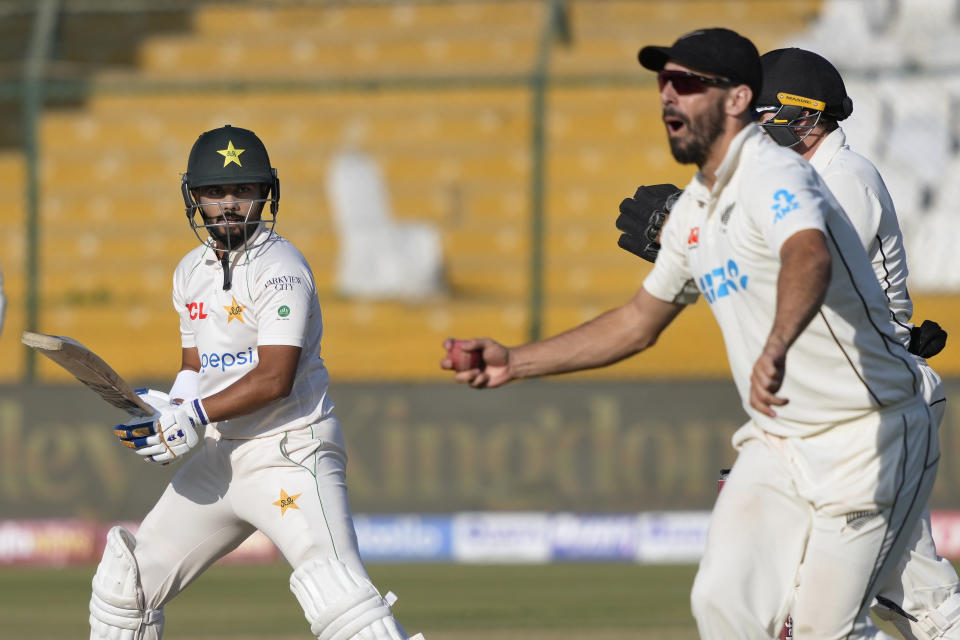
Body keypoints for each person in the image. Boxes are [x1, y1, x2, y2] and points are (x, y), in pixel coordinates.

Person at [442, 28, 939, 639]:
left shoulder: (791, 176)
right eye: (664, 84)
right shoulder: (702, 206)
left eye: (687, 86)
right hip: (782, 432)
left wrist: (776, 342)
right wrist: (514, 362)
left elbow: (809, 258)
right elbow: (636, 322)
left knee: (830, 623)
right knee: (724, 608)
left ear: (739, 103)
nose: (668, 100)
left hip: (866, 427)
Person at [617, 47, 957, 640]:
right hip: (827, 409)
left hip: (872, 411)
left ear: (803, 115)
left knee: (918, 605)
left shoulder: (845, 178)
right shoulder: (793, 179)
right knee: (808, 609)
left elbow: (801, 273)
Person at [90, 125, 424, 640]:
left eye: (242, 191)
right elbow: (193, 368)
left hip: (290, 451)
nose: (228, 205)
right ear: (193, 198)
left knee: (338, 596)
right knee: (124, 588)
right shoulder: (189, 273)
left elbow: (275, 378)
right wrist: (171, 412)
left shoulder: (282, 268)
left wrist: (194, 415)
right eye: (214, 193)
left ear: (265, 194)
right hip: (222, 458)